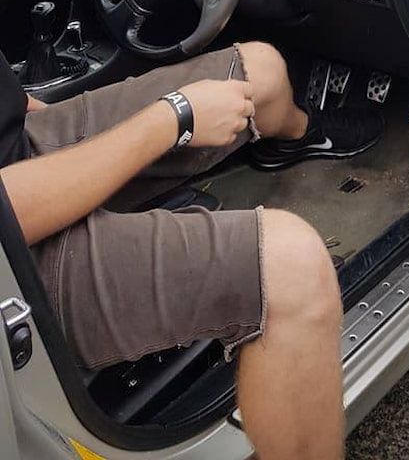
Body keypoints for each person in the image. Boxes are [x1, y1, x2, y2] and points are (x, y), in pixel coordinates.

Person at [0, 42, 384, 459]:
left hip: (19, 151)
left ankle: (300, 135)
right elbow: (10, 213)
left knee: (262, 72)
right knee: (294, 270)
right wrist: (175, 117)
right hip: (15, 255)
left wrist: (31, 110)